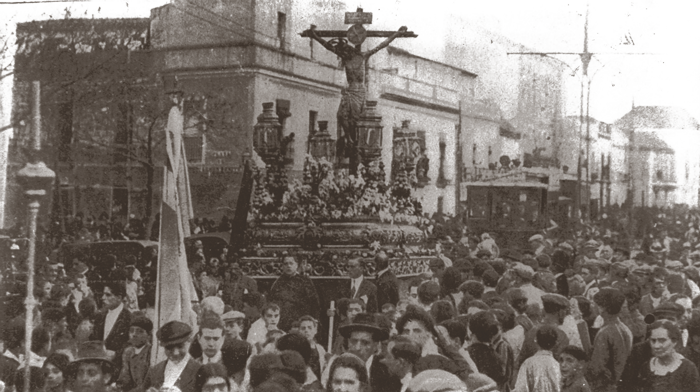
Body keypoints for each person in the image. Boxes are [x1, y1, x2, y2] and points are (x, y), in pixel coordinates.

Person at [323, 312, 399, 392]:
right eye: (354, 341)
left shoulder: (385, 371)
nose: (357, 347)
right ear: (348, 342)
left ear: (375, 345)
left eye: (365, 343)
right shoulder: (336, 365)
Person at [635, 320, 700, 392]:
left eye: (662, 340)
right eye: (653, 340)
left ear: (674, 342)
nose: (656, 346)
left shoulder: (688, 369)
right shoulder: (646, 367)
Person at [588, 288, 632, 392]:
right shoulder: (624, 328)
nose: (592, 306)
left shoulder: (605, 333)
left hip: (606, 386)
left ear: (603, 308)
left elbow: (597, 367)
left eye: (595, 304)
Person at [142, 320, 202, 392]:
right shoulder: (155, 370)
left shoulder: (200, 371)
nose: (175, 353)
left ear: (189, 341)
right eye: (169, 348)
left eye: (180, 346)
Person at [268, 255, 321, 332]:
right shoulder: (277, 283)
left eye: (291, 263)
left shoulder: (305, 281)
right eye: (285, 264)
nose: (288, 266)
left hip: (300, 323)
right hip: (282, 324)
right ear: (282, 266)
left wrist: (314, 320)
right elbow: (272, 303)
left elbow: (314, 302)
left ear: (296, 265)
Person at [518, 294, 570, 368]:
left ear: (543, 311)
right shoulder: (562, 335)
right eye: (565, 312)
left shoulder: (531, 331)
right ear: (561, 313)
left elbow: (520, 361)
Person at [91, 280, 132, 373]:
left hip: (119, 368)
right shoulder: (100, 316)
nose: (102, 298)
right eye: (103, 294)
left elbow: (131, 344)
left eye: (108, 295)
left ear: (119, 297)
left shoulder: (128, 318)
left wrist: (117, 354)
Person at [513, 325, 561, 392]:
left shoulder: (528, 363)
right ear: (555, 343)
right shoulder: (557, 366)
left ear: (536, 340)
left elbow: (521, 389)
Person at [117, 313, 152, 392]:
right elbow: (124, 376)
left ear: (149, 335)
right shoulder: (128, 352)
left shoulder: (150, 352)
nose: (134, 335)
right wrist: (118, 387)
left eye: (140, 331)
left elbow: (147, 383)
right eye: (131, 331)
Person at [299, 315, 327, 381]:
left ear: (315, 330)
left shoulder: (320, 349)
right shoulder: (296, 349)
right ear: (299, 331)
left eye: (309, 328)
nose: (306, 330)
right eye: (303, 328)